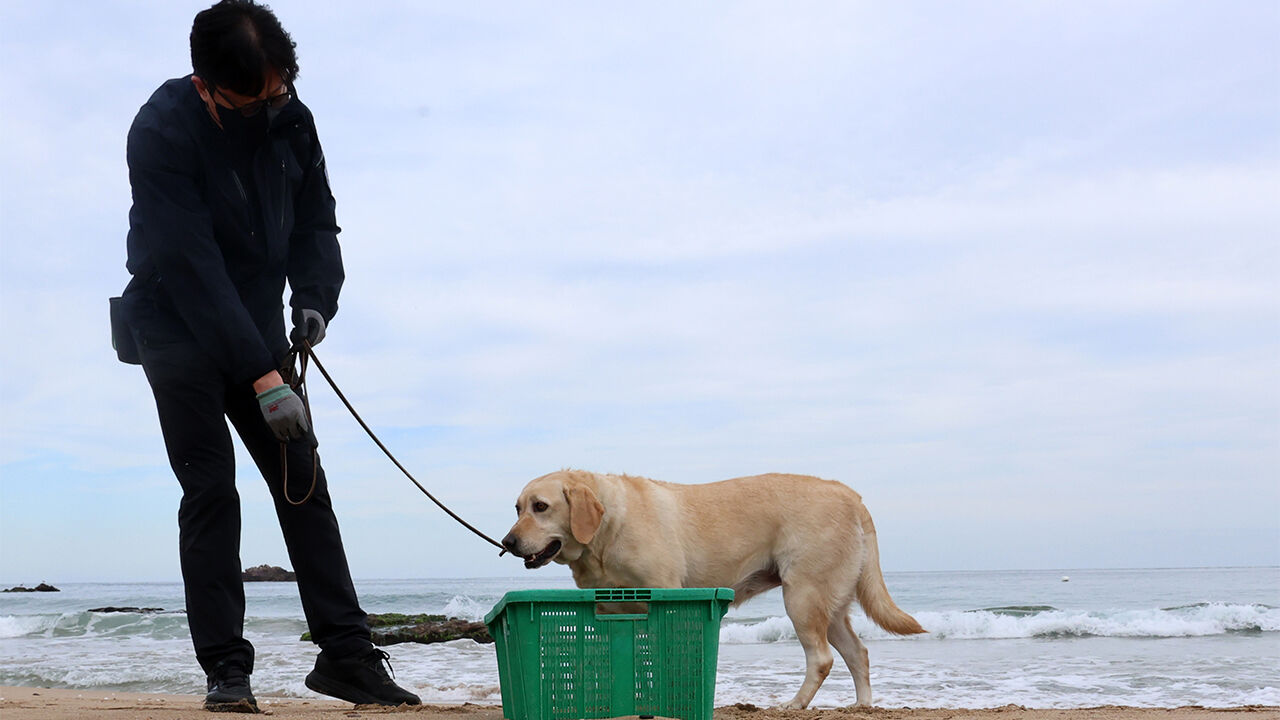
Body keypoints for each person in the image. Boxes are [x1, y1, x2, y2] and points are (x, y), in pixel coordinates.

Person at [114, 0, 419, 711]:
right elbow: (191, 268)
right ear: (204, 85)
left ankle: (347, 657)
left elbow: (317, 220)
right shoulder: (158, 134)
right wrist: (261, 375)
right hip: (175, 327)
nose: (266, 108)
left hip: (256, 326)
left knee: (303, 482)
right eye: (251, 99)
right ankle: (226, 669)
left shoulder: (291, 115)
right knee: (212, 492)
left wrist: (314, 300)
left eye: (276, 91)